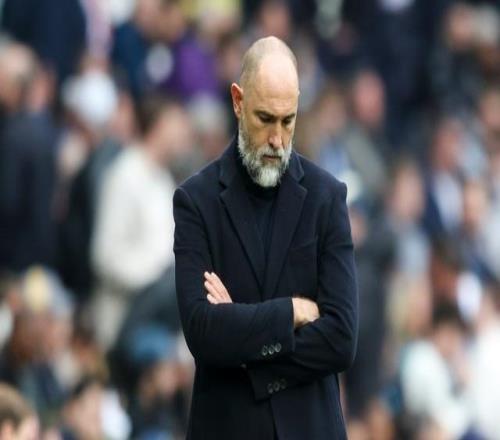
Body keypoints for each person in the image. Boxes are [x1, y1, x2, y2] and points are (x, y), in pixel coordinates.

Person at [173, 36, 358, 440]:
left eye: (288, 121)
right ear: (237, 102)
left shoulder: (327, 197)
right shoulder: (196, 201)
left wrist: (243, 345)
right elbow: (202, 331)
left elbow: (342, 339)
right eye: (265, 119)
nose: (277, 138)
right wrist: (292, 311)